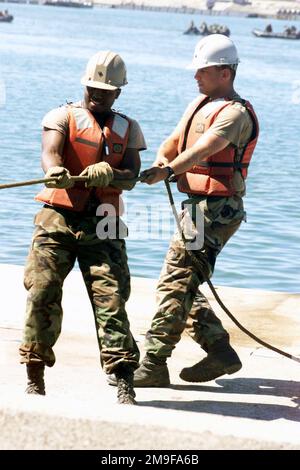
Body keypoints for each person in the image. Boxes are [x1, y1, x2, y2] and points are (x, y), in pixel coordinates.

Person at [115, 34, 259, 387]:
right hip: (196, 207)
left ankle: (153, 364)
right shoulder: (199, 104)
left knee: (174, 283)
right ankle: (219, 350)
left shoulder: (235, 114)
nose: (196, 76)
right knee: (184, 283)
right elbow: (175, 142)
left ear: (225, 73)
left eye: (203, 71)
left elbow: (206, 149)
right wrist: (162, 159)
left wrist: (169, 171)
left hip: (218, 210)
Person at [19, 50, 147, 404]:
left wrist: (113, 173)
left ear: (118, 93)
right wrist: (55, 171)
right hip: (56, 220)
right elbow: (52, 152)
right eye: (92, 87)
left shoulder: (128, 128)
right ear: (84, 84)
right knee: (42, 290)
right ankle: (34, 376)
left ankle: (123, 378)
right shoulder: (61, 115)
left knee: (112, 298)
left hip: (104, 224)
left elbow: (132, 174)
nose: (97, 94)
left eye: (105, 91)